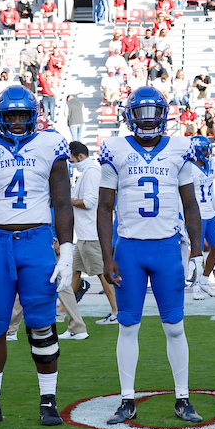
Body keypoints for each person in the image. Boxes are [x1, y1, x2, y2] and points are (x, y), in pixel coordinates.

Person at [0, 85, 75, 428]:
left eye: (23, 115)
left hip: (36, 240)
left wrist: (66, 252)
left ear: (34, 115)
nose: (17, 122)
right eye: (11, 116)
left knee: (42, 324)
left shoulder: (50, 144)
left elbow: (62, 202)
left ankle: (48, 401)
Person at [97, 86, 203, 424]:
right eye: (141, 114)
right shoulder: (115, 150)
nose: (147, 120)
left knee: (175, 328)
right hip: (129, 248)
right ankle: (127, 399)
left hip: (167, 247)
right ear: (130, 117)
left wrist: (197, 253)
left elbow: (190, 204)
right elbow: (104, 207)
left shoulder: (178, 149)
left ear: (164, 115)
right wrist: (106, 255)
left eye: (153, 113)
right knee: (127, 326)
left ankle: (183, 398)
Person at [67, 141, 118, 330]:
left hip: (91, 233)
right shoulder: (87, 172)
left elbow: (89, 202)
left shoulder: (91, 173)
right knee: (75, 272)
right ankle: (63, 309)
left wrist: (67, 201)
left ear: (80, 156)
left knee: (103, 274)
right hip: (84, 233)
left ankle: (116, 311)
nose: (70, 161)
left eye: (71, 158)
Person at [186, 135, 215, 301]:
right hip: (196, 215)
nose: (207, 154)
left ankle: (203, 280)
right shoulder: (188, 169)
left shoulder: (210, 166)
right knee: (197, 252)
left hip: (209, 213)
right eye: (203, 151)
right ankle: (194, 286)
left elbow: (211, 193)